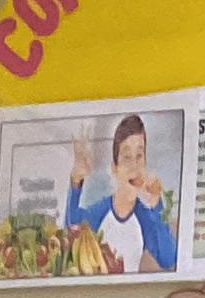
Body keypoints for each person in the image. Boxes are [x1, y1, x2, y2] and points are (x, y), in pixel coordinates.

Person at [67, 112, 176, 273]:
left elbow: (168, 259)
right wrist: (75, 181)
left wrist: (156, 204)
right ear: (114, 168)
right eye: (126, 157)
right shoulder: (100, 212)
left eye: (139, 156)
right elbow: (71, 236)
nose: (134, 165)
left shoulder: (145, 218)